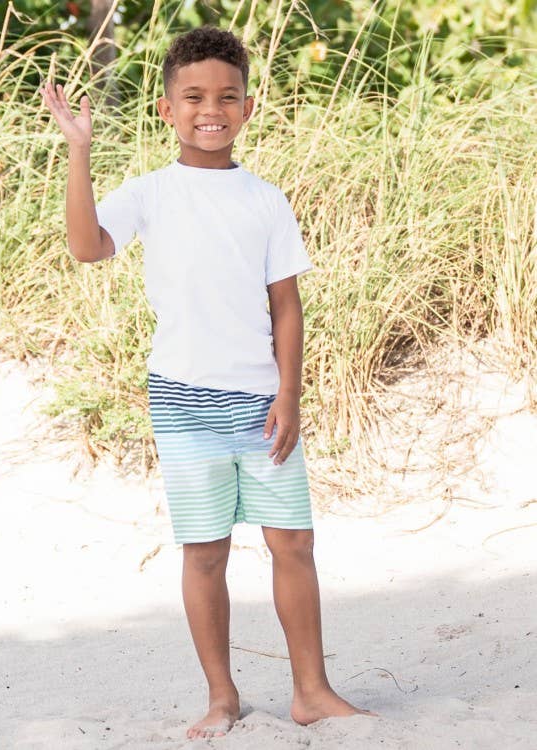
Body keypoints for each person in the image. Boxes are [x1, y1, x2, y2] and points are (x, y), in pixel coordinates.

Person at [41, 24, 377, 741]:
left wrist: (289, 395)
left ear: (247, 108)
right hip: (184, 403)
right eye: (192, 96)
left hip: (260, 403)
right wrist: (79, 151)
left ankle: (311, 691)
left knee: (292, 543)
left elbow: (286, 305)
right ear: (167, 109)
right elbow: (85, 247)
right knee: (205, 552)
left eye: (226, 96)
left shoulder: (265, 200)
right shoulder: (151, 193)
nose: (209, 108)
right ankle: (222, 696)